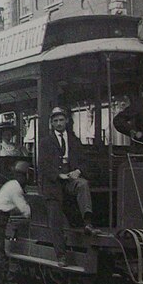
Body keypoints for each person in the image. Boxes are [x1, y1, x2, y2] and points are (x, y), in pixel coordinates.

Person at [39, 107, 99, 267]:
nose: (59, 123)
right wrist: (59, 175)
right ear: (51, 123)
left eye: (61, 120)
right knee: (55, 220)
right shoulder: (45, 142)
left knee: (83, 184)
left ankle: (87, 222)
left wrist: (78, 171)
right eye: (55, 121)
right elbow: (43, 165)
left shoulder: (74, 140)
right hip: (53, 185)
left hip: (71, 180)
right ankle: (61, 255)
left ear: (66, 121)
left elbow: (84, 160)